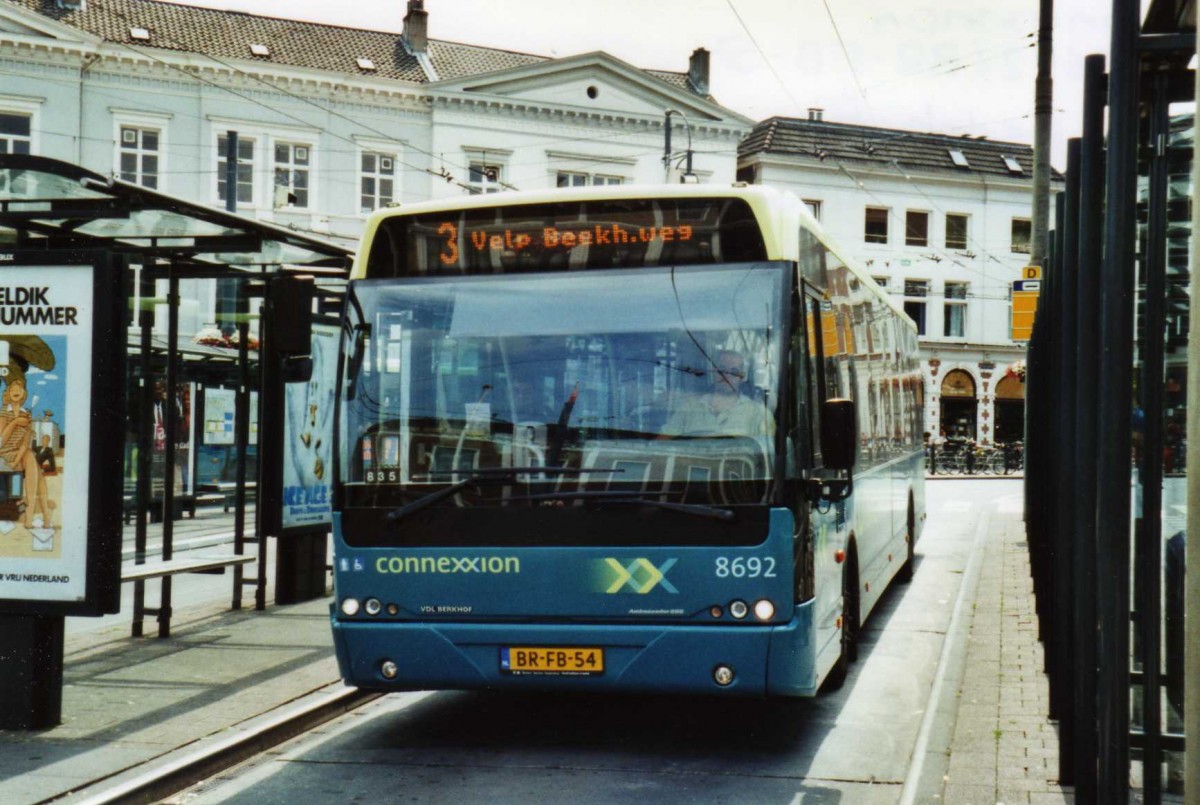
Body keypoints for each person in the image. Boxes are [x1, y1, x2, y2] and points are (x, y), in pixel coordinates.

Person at [661, 350, 774, 438]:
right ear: (713, 371)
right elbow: (663, 441)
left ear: (742, 376)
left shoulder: (758, 414)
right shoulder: (689, 407)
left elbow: (769, 457)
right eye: (722, 369)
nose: (726, 375)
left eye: (734, 371)